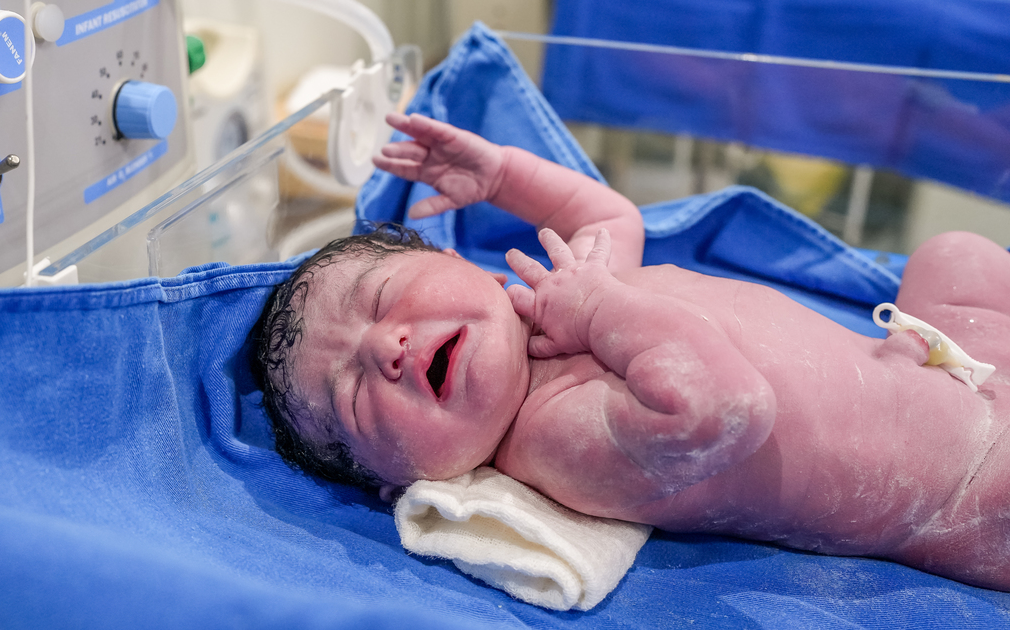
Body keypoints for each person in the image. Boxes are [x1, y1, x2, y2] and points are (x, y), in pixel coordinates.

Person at [253, 112, 1010, 592]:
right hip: (970, 485)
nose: (385, 347)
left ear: (454, 260)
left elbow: (609, 215)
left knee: (957, 255)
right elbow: (726, 408)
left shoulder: (549, 299)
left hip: (939, 362)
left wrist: (503, 175)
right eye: (353, 394)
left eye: (383, 299)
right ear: (396, 482)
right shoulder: (549, 438)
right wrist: (597, 306)